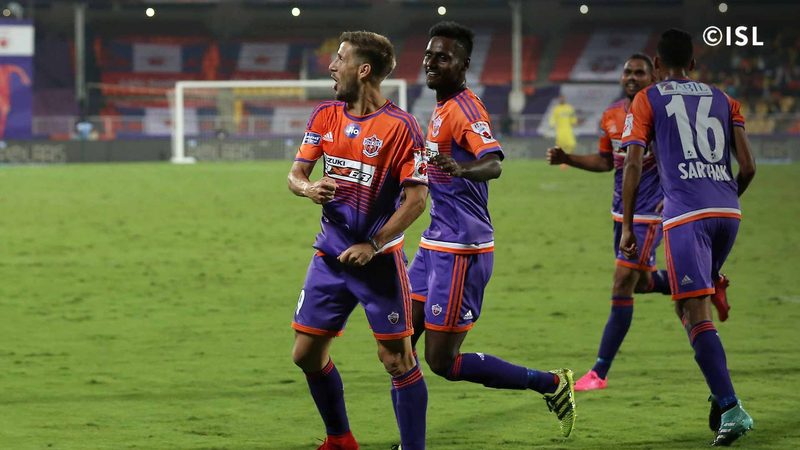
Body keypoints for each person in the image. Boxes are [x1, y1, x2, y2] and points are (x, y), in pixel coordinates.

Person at [406, 21, 576, 438]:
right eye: (429, 54)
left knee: (442, 361)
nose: (431, 62)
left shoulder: (465, 109)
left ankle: (551, 384)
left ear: (463, 65)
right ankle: (411, 440)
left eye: (443, 57)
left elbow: (494, 163)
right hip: (433, 242)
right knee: (397, 342)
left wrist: (462, 168)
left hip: (462, 248)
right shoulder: (442, 106)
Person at [547, 54, 731, 391]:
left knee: (621, 282)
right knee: (641, 282)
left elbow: (682, 157)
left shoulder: (663, 113)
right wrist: (567, 158)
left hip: (650, 213)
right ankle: (706, 282)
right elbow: (607, 161)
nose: (631, 77)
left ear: (653, 77)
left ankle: (599, 372)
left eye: (639, 72)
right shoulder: (612, 114)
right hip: (622, 212)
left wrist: (676, 193)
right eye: (627, 72)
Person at [288, 31, 429, 450]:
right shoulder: (324, 115)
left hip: (379, 264)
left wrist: (375, 243)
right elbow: (296, 174)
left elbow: (416, 200)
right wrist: (308, 188)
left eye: (340, 59)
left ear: (363, 69)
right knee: (305, 354)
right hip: (330, 257)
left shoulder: (402, 127)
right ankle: (340, 439)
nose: (332, 66)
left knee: (397, 359)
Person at [620, 28, 756, 446]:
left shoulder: (647, 98)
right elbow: (749, 167)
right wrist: (722, 197)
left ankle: (731, 407)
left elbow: (633, 163)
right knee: (689, 305)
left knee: (694, 312)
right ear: (693, 64)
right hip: (728, 212)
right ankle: (719, 391)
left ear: (657, 65)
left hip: (686, 216)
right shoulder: (725, 99)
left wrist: (627, 225)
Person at [549, 95, 577, 166]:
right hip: (560, 130)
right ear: (559, 99)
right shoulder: (556, 109)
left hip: (568, 129)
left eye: (563, 98)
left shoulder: (569, 108)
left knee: (571, 144)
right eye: (560, 98)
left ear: (565, 99)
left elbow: (573, 118)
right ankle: (560, 160)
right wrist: (552, 124)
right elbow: (552, 118)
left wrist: (574, 122)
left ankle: (568, 160)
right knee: (560, 145)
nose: (562, 99)